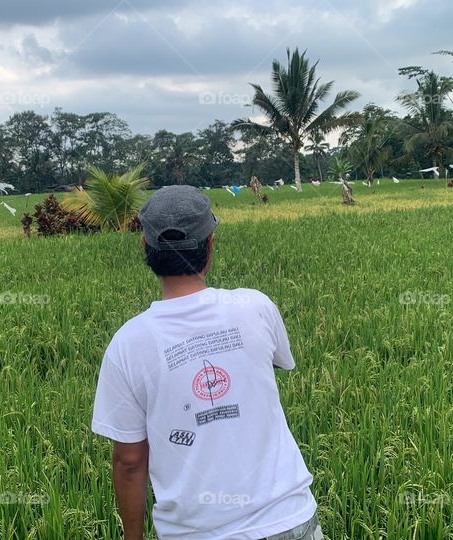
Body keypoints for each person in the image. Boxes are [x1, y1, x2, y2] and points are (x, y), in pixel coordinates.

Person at [91, 185, 321, 540]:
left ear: (146, 247)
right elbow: (273, 363)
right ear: (210, 243)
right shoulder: (255, 306)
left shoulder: (128, 344)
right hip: (289, 519)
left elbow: (130, 461)